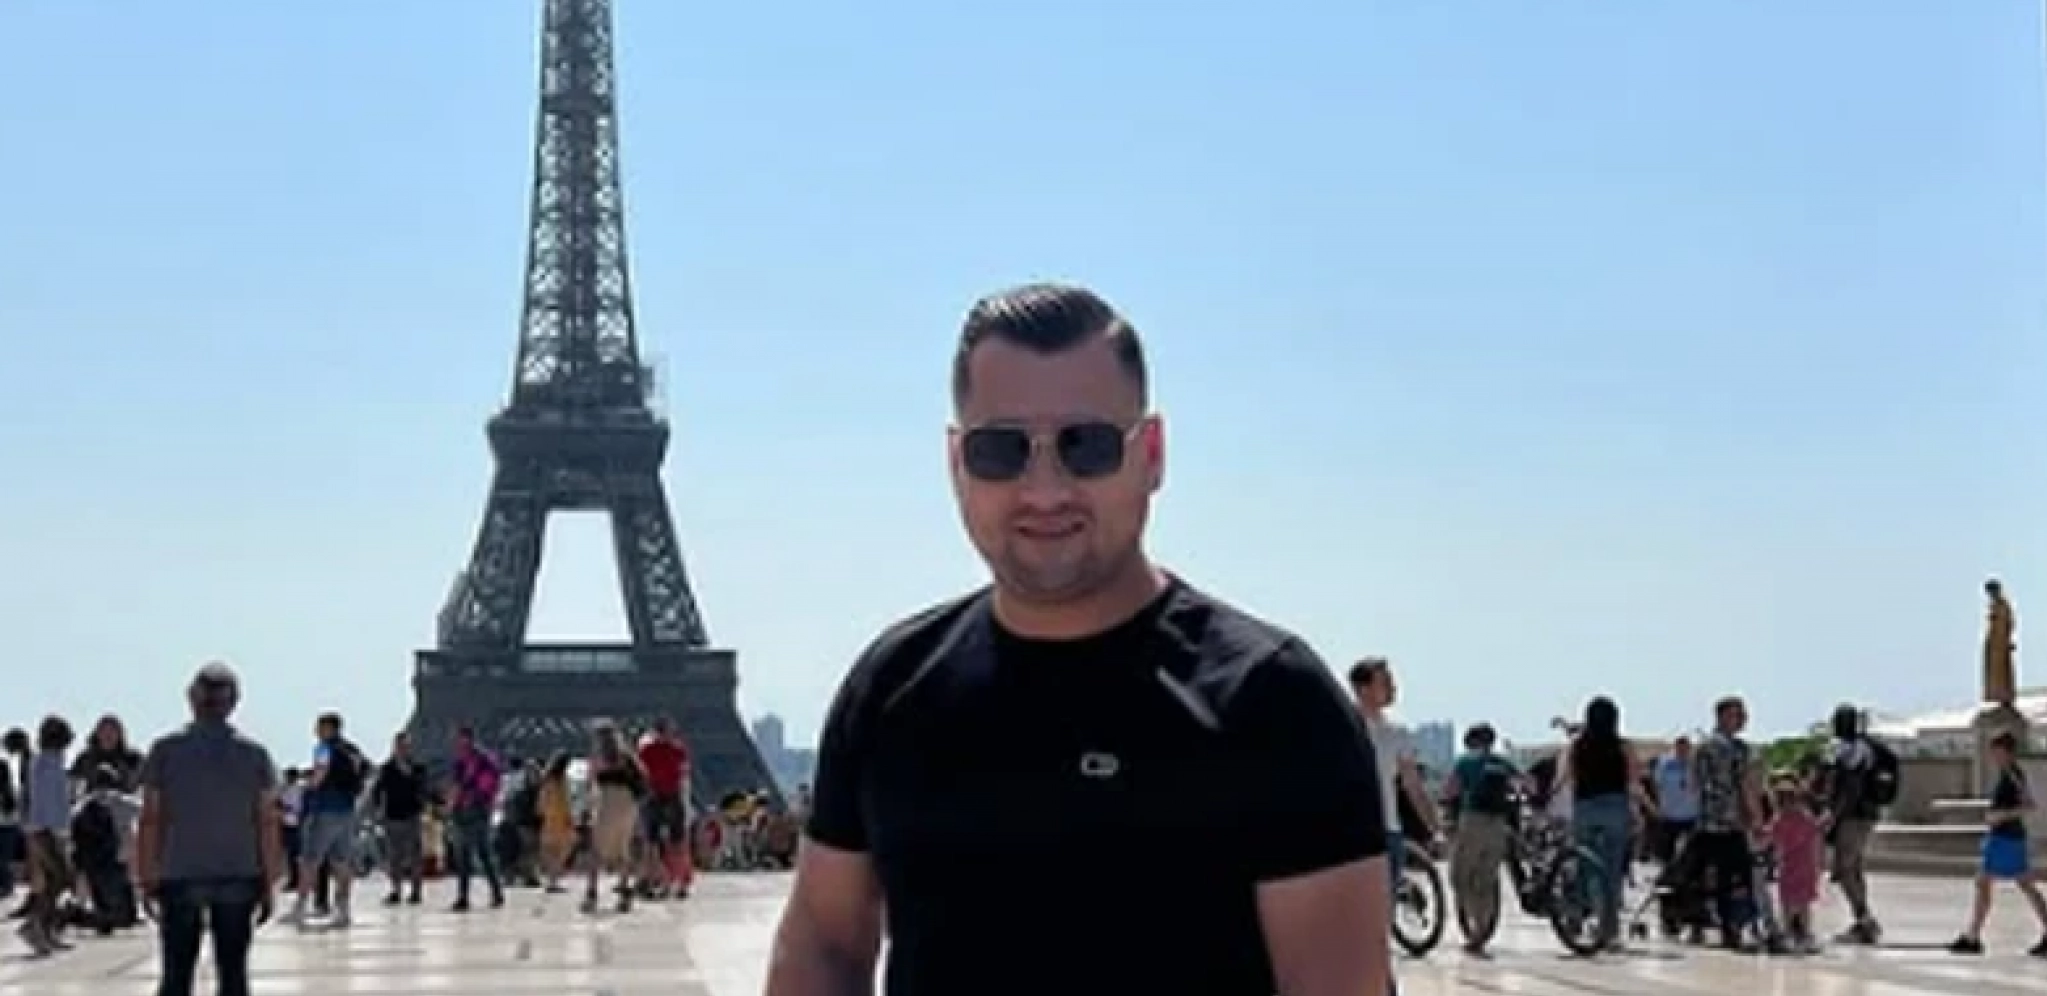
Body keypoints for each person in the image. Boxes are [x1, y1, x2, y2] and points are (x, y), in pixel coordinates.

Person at [764, 283, 1390, 996]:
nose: (1044, 489)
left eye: (1085, 446)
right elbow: (822, 944)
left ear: (1151, 454)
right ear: (956, 462)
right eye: (1001, 450)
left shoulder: (1274, 701)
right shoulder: (889, 687)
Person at [134, 663, 282, 996]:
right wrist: (269, 878)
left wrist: (145, 874)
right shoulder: (254, 754)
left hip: (179, 872)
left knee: (176, 975)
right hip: (239, 871)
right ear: (234, 703)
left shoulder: (165, 750)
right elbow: (266, 821)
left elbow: (151, 817)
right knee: (233, 974)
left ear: (192, 699)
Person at [1350, 657, 1443, 950]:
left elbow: (1413, 786)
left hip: (1389, 832)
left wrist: (1435, 827)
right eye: (1385, 682)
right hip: (1351, 831)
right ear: (1362, 688)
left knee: (1382, 914)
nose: (1393, 688)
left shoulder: (1397, 733)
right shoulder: (1340, 725)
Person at [1555, 697, 1644, 951]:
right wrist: (1640, 812)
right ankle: (1609, 927)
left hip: (1585, 808)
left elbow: (1565, 777)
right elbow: (1633, 782)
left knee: (1585, 866)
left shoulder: (1577, 745)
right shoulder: (1623, 746)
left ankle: (1580, 914)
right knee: (1612, 870)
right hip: (1615, 808)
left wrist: (1550, 799)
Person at [1948, 732, 2047, 956]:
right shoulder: (2008, 774)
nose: (1993, 756)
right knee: (2008, 883)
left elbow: (2029, 805)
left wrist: (2001, 816)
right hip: (2005, 836)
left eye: (1996, 751)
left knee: (1991, 883)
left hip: (2006, 837)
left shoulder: (2013, 775)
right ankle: (1973, 935)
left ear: (2006, 752)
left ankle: (1973, 937)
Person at [1692, 696, 1765, 950]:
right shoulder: (1736, 749)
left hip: (1707, 820)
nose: (1743, 719)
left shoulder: (1703, 747)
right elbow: (1746, 785)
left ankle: (1704, 923)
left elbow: (1695, 784)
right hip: (1731, 822)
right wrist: (1756, 817)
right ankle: (1733, 926)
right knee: (1737, 876)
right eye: (1738, 715)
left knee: (1707, 875)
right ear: (1723, 716)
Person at [1442, 723, 1519, 954]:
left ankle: (1476, 928)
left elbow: (1450, 790)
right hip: (1498, 824)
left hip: (1472, 821)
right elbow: (1526, 784)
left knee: (1460, 876)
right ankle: (1481, 929)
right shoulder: (1502, 762)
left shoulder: (1465, 761)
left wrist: (1446, 806)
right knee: (1486, 880)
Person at [285, 712, 365, 928]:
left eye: (319, 727)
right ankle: (343, 909)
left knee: (310, 859)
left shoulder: (323, 749)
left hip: (325, 809)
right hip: (347, 811)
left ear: (329, 728)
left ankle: (300, 907)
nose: (316, 731)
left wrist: (307, 788)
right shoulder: (352, 750)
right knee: (342, 861)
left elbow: (320, 774)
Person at [1820, 703, 1884, 943]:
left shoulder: (1844, 750)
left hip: (1850, 816)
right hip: (1866, 815)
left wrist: (1833, 814)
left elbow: (1844, 787)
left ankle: (1864, 920)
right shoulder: (1866, 748)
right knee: (1854, 868)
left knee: (1845, 869)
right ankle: (1862, 918)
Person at [19, 715, 75, 955]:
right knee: (61, 878)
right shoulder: (45, 764)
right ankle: (35, 925)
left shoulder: (49, 763)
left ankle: (46, 929)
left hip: (47, 828)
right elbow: (47, 800)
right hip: (45, 829)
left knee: (56, 880)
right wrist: (56, 830)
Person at [586, 721, 644, 914]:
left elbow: (592, 782)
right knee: (623, 849)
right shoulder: (627, 757)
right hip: (627, 804)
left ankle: (592, 893)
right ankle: (624, 891)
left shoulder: (599, 757)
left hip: (608, 801)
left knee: (596, 850)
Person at [446, 726, 505, 912]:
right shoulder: (461, 762)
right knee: (465, 855)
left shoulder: (483, 760)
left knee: (482, 853)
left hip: (477, 812)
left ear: (470, 740)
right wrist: (453, 804)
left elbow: (487, 786)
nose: (459, 745)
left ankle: (495, 892)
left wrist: (473, 799)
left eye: (461, 740)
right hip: (463, 812)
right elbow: (456, 786)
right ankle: (464, 896)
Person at [368, 732, 428, 906]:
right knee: (394, 857)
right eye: (400, 746)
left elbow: (423, 788)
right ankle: (396, 890)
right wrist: (377, 810)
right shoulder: (386, 768)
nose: (402, 749)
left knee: (415, 855)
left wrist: (410, 775)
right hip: (392, 816)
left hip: (412, 815)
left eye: (405, 746)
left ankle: (416, 891)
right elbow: (377, 790)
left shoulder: (418, 768)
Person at [634, 717, 692, 898]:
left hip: (653, 796)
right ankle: (679, 882)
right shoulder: (678, 749)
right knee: (677, 841)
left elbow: (640, 772)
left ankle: (652, 879)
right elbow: (684, 775)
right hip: (672, 795)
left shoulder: (646, 749)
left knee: (651, 841)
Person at [1768, 774, 1822, 953]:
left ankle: (1788, 933)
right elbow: (1815, 837)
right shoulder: (1806, 818)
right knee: (1804, 903)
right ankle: (1805, 934)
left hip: (1788, 866)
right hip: (1806, 866)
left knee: (1787, 902)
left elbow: (1773, 840)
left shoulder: (1779, 820)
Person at [536, 753, 576, 893]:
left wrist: (542, 812)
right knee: (563, 849)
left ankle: (552, 880)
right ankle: (553, 880)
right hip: (561, 818)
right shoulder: (562, 781)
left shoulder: (547, 780)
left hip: (549, 818)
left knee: (550, 850)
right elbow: (566, 801)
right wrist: (570, 817)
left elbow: (542, 801)